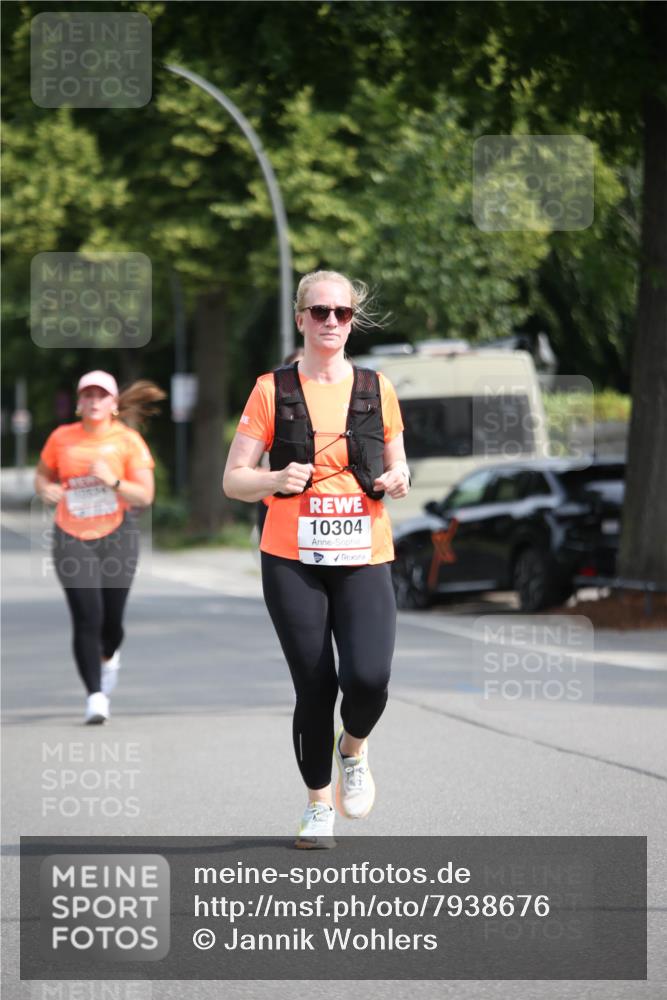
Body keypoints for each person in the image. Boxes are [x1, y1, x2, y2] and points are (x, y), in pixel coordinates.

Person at [223, 271, 410, 848]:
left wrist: (399, 477)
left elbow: (400, 464)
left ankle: (352, 747)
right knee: (315, 684)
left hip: (364, 552)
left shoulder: (377, 387)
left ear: (353, 321)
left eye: (343, 313)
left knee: (370, 678)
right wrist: (276, 477)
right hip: (292, 557)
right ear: (301, 318)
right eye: (321, 311)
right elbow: (234, 480)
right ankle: (318, 806)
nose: (332, 321)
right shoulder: (270, 390)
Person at [35, 371, 164, 724]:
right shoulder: (62, 438)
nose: (94, 401)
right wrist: (45, 489)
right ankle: (95, 695)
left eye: (101, 395)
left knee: (112, 623)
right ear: (79, 402)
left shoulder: (128, 440)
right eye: (87, 395)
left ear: (113, 404)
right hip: (70, 535)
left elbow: (145, 495)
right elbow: (42, 475)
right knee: (86, 616)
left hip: (117, 536)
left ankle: (109, 656)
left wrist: (113, 480)